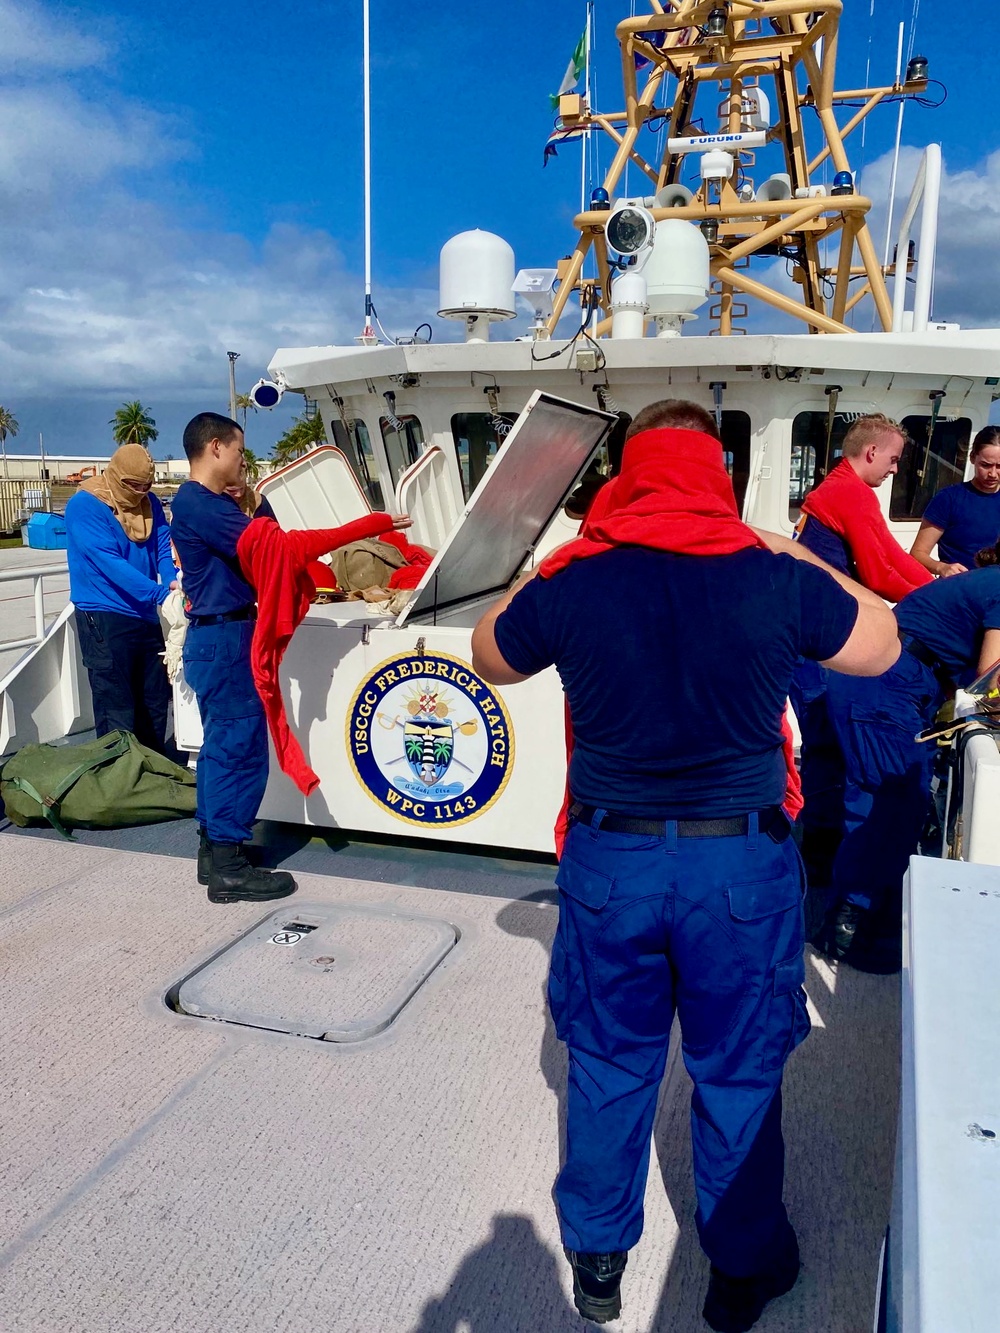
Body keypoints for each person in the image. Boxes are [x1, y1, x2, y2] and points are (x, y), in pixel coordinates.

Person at [470, 399, 899, 1331]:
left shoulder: (580, 574)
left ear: (627, 472)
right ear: (720, 474)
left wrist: (562, 558)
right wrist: (785, 549)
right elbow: (882, 642)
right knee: (738, 1071)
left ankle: (596, 1259)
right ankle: (741, 1270)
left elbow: (488, 653)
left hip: (610, 860)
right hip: (738, 869)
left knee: (608, 1064)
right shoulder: (768, 572)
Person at [171, 412, 410, 905]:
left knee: (220, 751)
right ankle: (230, 868)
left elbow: (264, 547)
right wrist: (370, 525)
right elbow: (282, 549)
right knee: (239, 753)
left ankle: (212, 853)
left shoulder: (204, 504)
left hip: (219, 638)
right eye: (239, 451)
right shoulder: (200, 505)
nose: (243, 460)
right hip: (227, 639)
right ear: (215, 448)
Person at [817, 544, 1000, 972]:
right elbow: (990, 679)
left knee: (884, 799)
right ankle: (850, 932)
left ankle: (852, 904)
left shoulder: (985, 583)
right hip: (889, 682)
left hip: (889, 677)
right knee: (891, 804)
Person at [790, 413, 933, 917]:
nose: (896, 469)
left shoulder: (847, 491)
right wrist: (937, 599)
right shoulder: (850, 494)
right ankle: (824, 869)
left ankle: (822, 860)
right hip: (814, 652)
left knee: (829, 748)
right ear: (870, 452)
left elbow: (892, 557)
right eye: (894, 458)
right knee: (832, 749)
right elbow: (877, 572)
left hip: (815, 643)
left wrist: (938, 589)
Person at [65, 443, 180, 758]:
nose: (140, 492)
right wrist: (159, 594)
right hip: (104, 616)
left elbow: (161, 544)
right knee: (115, 703)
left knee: (154, 700)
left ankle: (153, 772)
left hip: (144, 615)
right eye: (134, 486)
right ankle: (117, 780)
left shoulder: (150, 502)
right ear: (116, 476)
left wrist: (172, 583)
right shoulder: (85, 506)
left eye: (147, 486)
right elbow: (109, 563)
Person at [910, 426, 1000, 578]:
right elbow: (917, 553)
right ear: (972, 458)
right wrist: (942, 568)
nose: (992, 473)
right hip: (960, 591)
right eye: (985, 465)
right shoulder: (949, 499)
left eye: (999, 466)